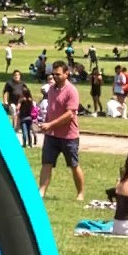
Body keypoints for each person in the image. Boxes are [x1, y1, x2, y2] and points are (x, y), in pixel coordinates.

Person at [36, 59, 85, 202]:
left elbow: (70, 114)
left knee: (74, 165)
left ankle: (80, 194)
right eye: (53, 74)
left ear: (66, 74)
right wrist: (45, 123)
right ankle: (41, 192)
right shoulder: (51, 89)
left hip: (69, 136)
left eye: (58, 74)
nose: (55, 77)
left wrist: (50, 124)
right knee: (47, 163)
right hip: (51, 135)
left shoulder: (71, 91)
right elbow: (51, 109)